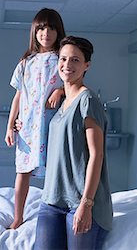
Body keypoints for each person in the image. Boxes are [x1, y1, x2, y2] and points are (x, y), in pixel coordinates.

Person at [34, 36, 113, 250]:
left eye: (75, 60)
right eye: (63, 59)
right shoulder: (61, 101)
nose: (67, 65)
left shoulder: (88, 101)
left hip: (81, 202)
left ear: (87, 65)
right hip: (52, 200)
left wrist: (86, 204)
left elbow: (96, 155)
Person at [5, 8, 66, 230]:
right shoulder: (26, 62)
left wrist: (60, 92)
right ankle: (18, 216)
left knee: (56, 171)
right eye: (41, 28)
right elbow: (18, 96)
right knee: (23, 172)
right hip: (28, 127)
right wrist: (10, 126)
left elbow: (72, 86)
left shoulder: (62, 59)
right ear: (34, 31)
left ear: (58, 31)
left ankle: (56, 215)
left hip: (53, 126)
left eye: (51, 28)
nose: (46, 33)